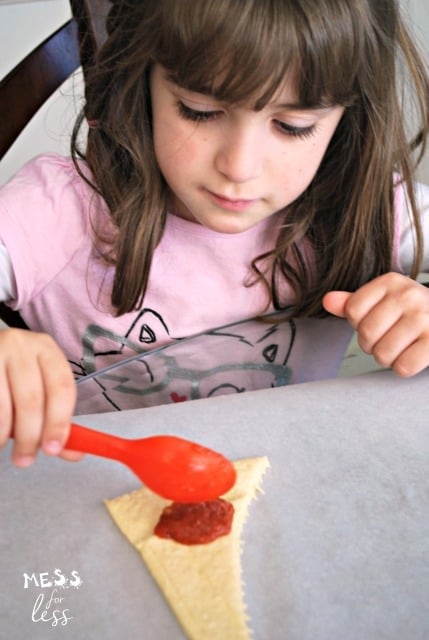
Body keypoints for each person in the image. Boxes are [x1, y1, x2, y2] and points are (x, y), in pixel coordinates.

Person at [0, 0, 428, 466]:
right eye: (200, 111)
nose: (238, 167)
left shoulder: (366, 207)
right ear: (142, 80)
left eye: (292, 126)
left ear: (349, 117)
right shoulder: (55, 210)